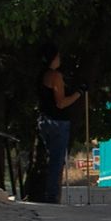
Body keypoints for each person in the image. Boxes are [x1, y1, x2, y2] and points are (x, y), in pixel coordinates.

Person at [36, 43, 83, 204]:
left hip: (44, 120)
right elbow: (61, 103)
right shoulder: (55, 76)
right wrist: (78, 94)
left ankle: (47, 192)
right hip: (58, 122)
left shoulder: (40, 75)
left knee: (50, 158)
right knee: (57, 160)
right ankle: (51, 196)